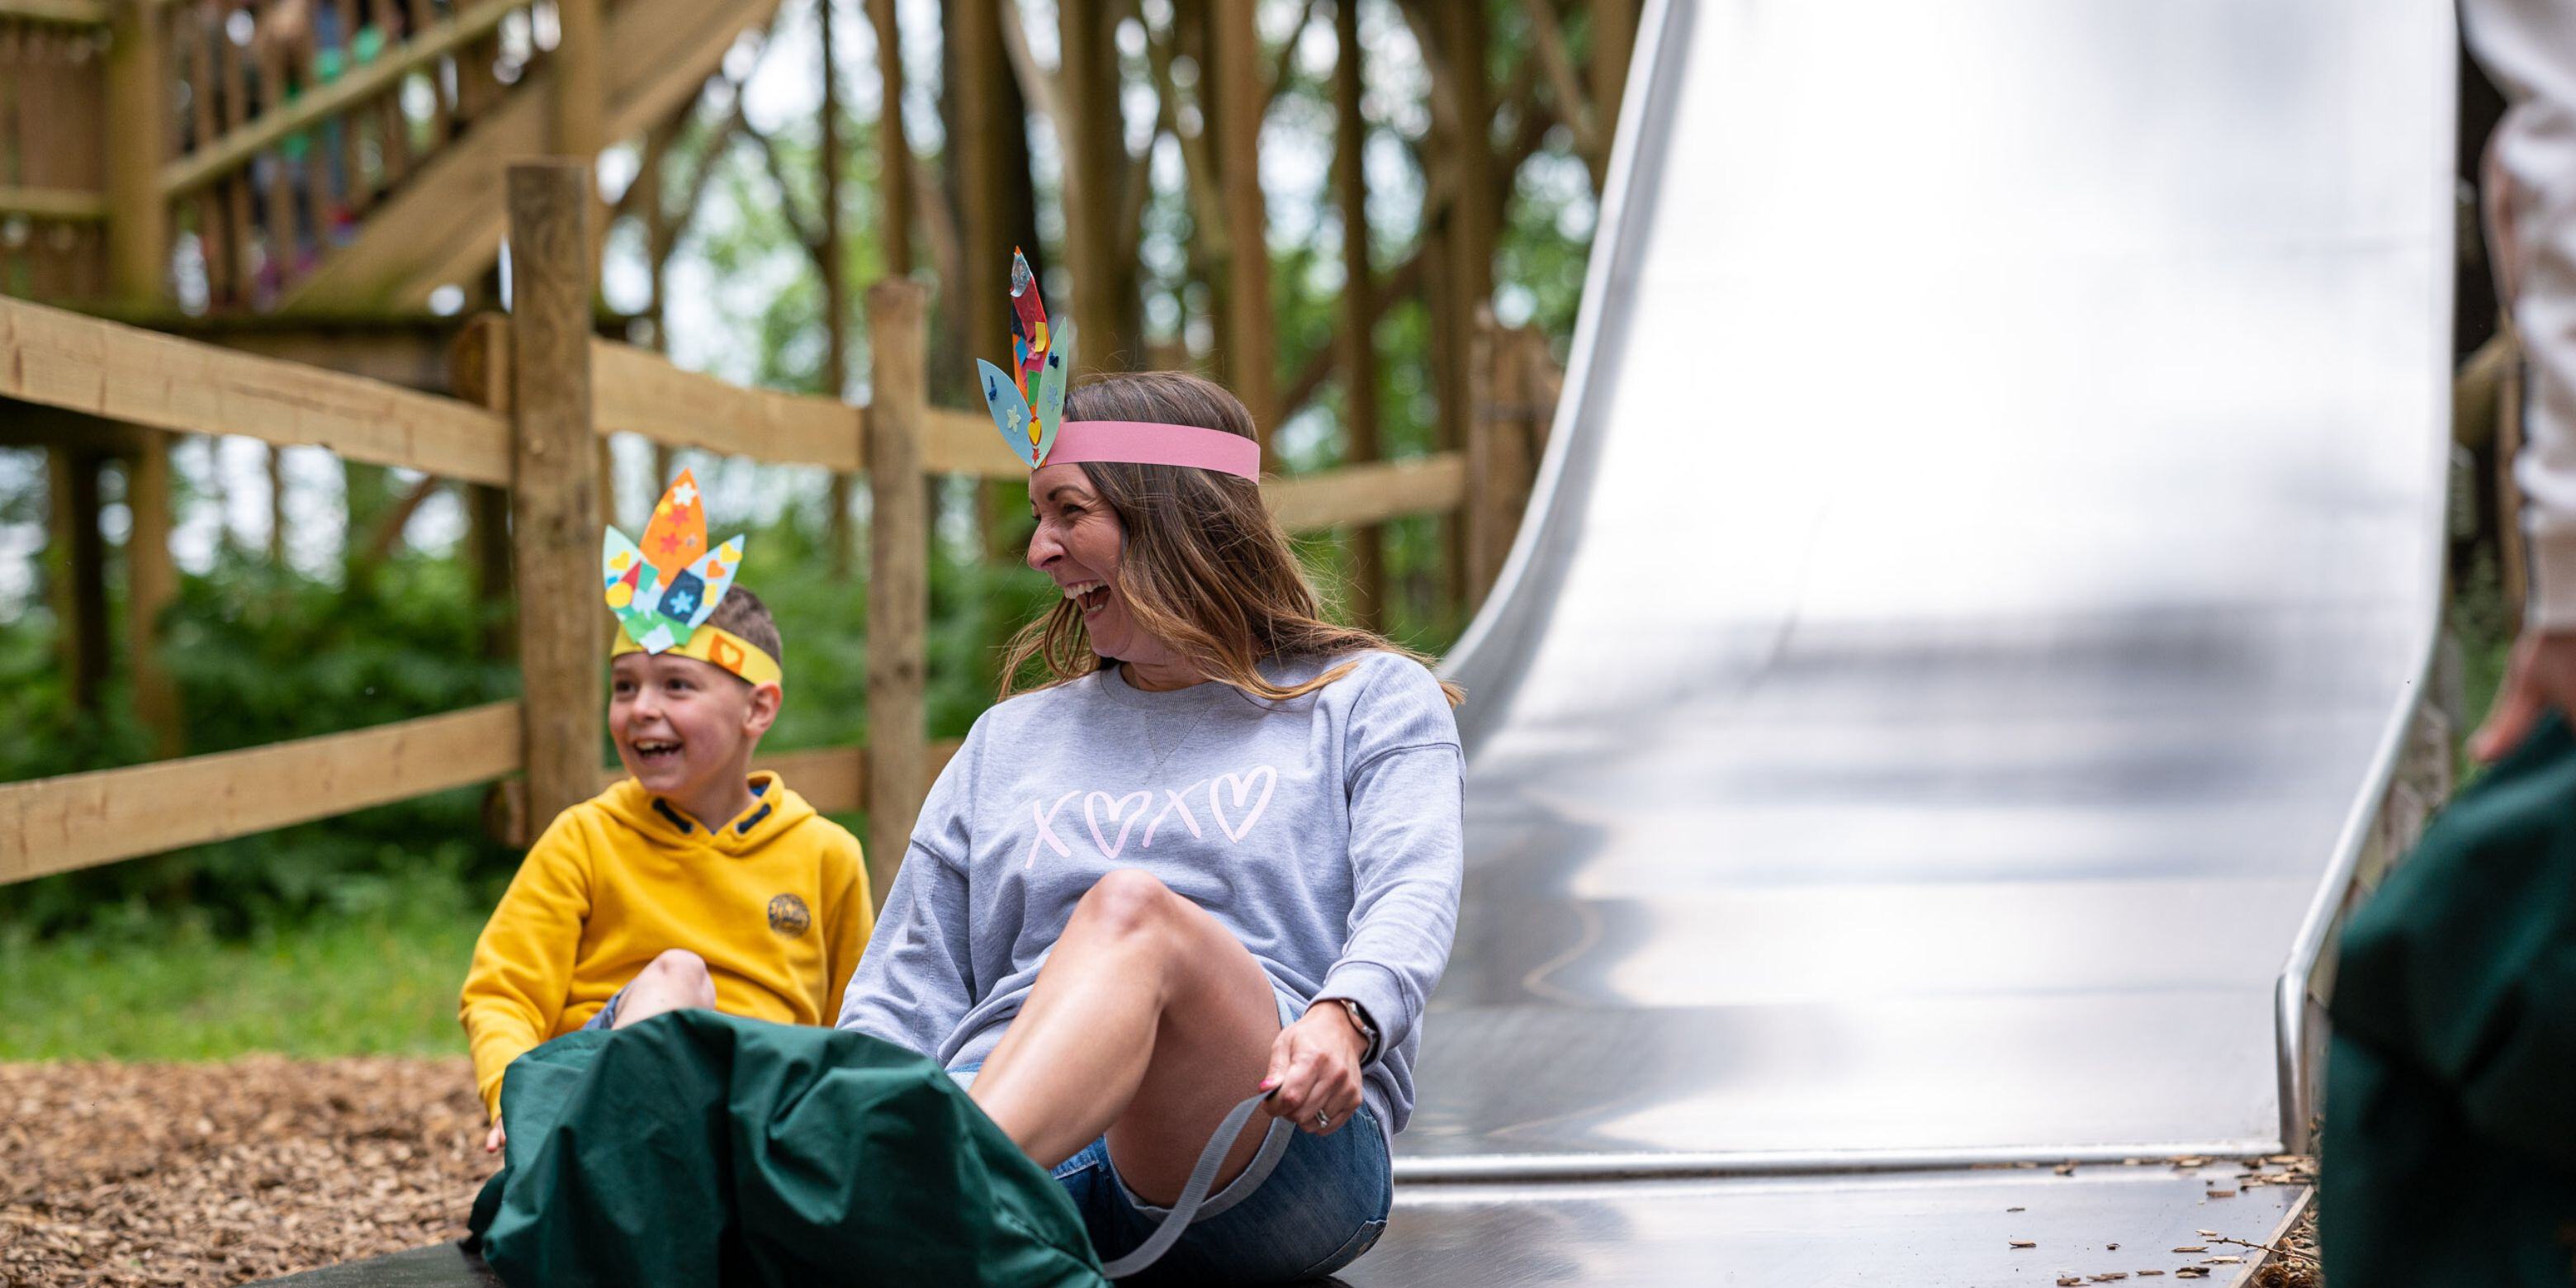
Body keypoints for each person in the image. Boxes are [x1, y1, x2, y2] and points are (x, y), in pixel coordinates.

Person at [837, 263, 1462, 1284]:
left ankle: (920, 1215)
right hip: (1023, 1133)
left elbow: (1414, 890)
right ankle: (926, 1198)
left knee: (1132, 913)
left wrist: (1346, 1015)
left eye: (1068, 510)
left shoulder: (1367, 700)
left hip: (1262, 1143)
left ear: (1172, 516)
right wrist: (849, 1119)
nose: (1039, 550)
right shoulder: (1006, 742)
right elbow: (905, 989)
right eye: (1037, 515)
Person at [461, 471, 870, 1153]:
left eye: (676, 685)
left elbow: (857, 1022)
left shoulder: (825, 854)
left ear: (757, 709)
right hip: (590, 1105)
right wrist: (515, 1095)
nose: (641, 708)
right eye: (624, 687)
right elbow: (504, 992)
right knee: (678, 975)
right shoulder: (586, 838)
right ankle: (600, 1164)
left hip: (754, 1116)